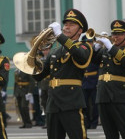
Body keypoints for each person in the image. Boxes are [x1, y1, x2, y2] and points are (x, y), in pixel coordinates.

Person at [33, 8, 93, 139]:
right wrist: (31, 62)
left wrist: (60, 36)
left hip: (71, 101)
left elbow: (80, 56)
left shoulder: (84, 46)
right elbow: (39, 75)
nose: (67, 27)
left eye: (72, 25)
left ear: (80, 30)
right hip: (53, 102)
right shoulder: (54, 51)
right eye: (66, 24)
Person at [92, 20, 125, 139]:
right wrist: (96, 47)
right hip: (103, 95)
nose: (115, 37)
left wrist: (110, 46)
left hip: (120, 96)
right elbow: (90, 61)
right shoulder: (105, 50)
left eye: (119, 34)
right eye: (114, 34)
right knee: (110, 134)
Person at [81, 35, 99, 130]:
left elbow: (100, 69)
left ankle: (94, 122)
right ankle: (86, 122)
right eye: (86, 42)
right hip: (84, 82)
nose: (88, 44)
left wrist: (98, 82)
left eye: (90, 42)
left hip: (94, 81)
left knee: (94, 104)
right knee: (85, 104)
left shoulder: (95, 53)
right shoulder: (81, 53)